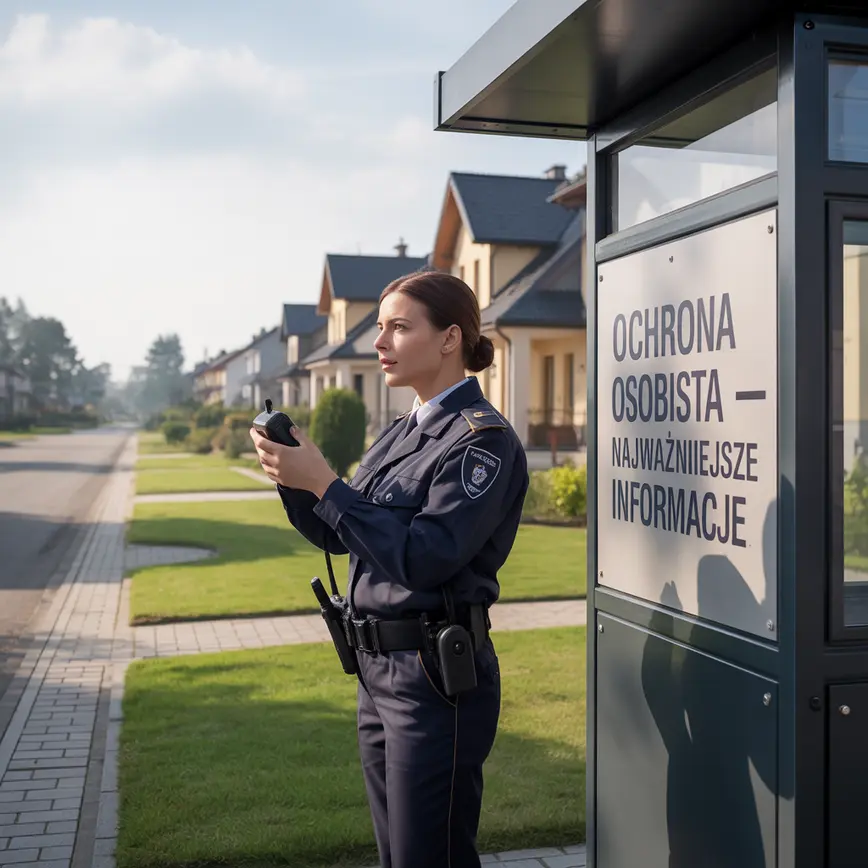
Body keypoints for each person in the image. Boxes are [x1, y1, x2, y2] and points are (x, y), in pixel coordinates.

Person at [250, 270, 529, 868]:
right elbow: (340, 531)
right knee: (398, 856)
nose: (379, 343)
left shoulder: (481, 442)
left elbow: (424, 557)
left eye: (399, 328)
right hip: (378, 673)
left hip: (433, 679)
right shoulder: (401, 432)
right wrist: (296, 479)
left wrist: (325, 482)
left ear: (451, 338)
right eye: (380, 327)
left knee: (430, 858)